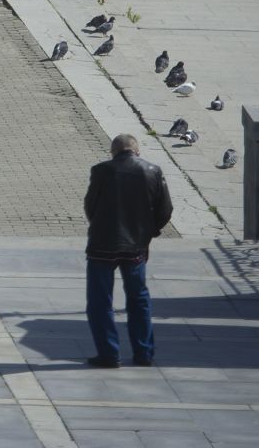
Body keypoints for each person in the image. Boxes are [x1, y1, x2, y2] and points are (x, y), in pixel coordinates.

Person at [84, 133, 173, 367]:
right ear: (137, 151)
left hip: (102, 245)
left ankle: (108, 353)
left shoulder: (101, 170)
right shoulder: (153, 170)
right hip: (135, 247)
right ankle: (144, 353)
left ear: (113, 152)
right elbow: (165, 210)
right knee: (138, 298)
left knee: (100, 301)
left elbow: (90, 206)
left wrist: (99, 224)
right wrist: (148, 232)